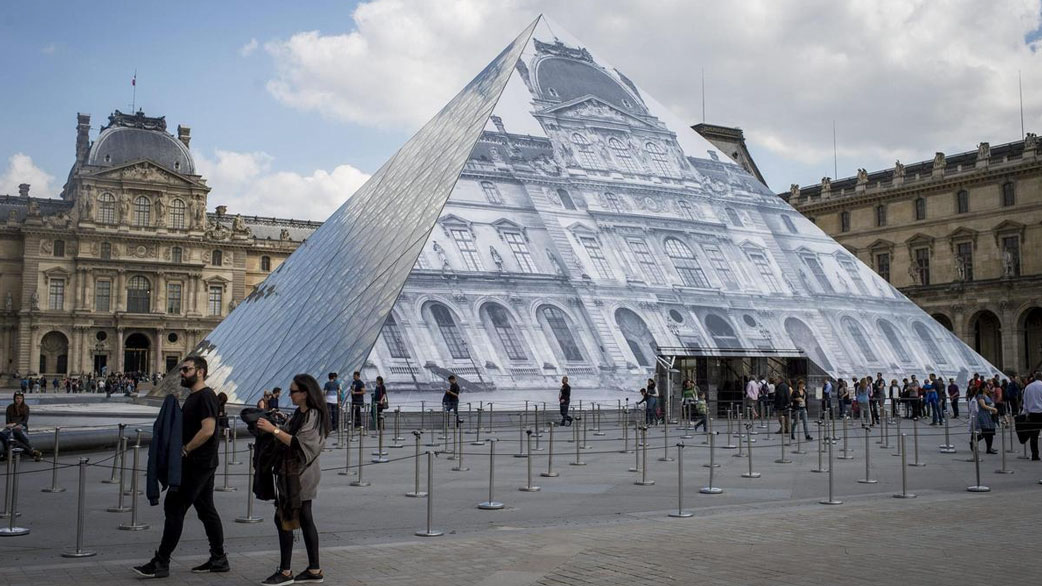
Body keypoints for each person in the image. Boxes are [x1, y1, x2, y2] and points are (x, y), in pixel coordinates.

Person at [133, 357, 227, 578]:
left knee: (174, 508)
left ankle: (161, 562)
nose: (181, 373)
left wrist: (185, 449)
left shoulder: (205, 396)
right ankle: (219, 558)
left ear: (201, 371)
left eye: (186, 369)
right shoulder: (196, 396)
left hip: (197, 464)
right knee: (206, 510)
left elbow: (208, 429)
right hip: (203, 463)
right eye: (182, 369)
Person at [256, 374, 330, 585]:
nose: (290, 394)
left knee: (285, 518)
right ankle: (314, 569)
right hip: (293, 474)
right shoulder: (300, 413)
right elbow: (286, 436)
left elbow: (299, 444)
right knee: (304, 518)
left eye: (293, 391)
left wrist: (274, 430)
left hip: (301, 476)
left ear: (305, 393)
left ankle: (286, 572)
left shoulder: (313, 415)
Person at [1, 392, 42, 461]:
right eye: (17, 398)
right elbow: (7, 421)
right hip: (10, 427)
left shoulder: (26, 407)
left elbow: (25, 421)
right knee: (3, 434)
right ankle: (31, 451)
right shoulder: (9, 407)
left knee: (16, 432)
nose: (19, 400)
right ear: (14, 399)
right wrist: (11, 425)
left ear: (23, 399)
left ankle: (7, 454)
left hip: (22, 427)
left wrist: (16, 424)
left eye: (20, 398)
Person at [971, 383, 999, 454]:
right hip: (984, 415)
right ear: (983, 388)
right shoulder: (980, 396)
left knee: (990, 432)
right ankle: (973, 441)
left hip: (989, 415)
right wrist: (993, 409)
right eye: (987, 387)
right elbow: (983, 405)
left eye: (989, 387)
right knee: (985, 432)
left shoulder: (987, 395)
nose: (988, 389)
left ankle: (989, 448)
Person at [1020, 372, 1042, 461]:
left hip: (1033, 414)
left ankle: (1035, 455)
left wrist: (1026, 413)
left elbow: (1025, 402)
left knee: (1034, 436)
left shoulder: (1028, 387)